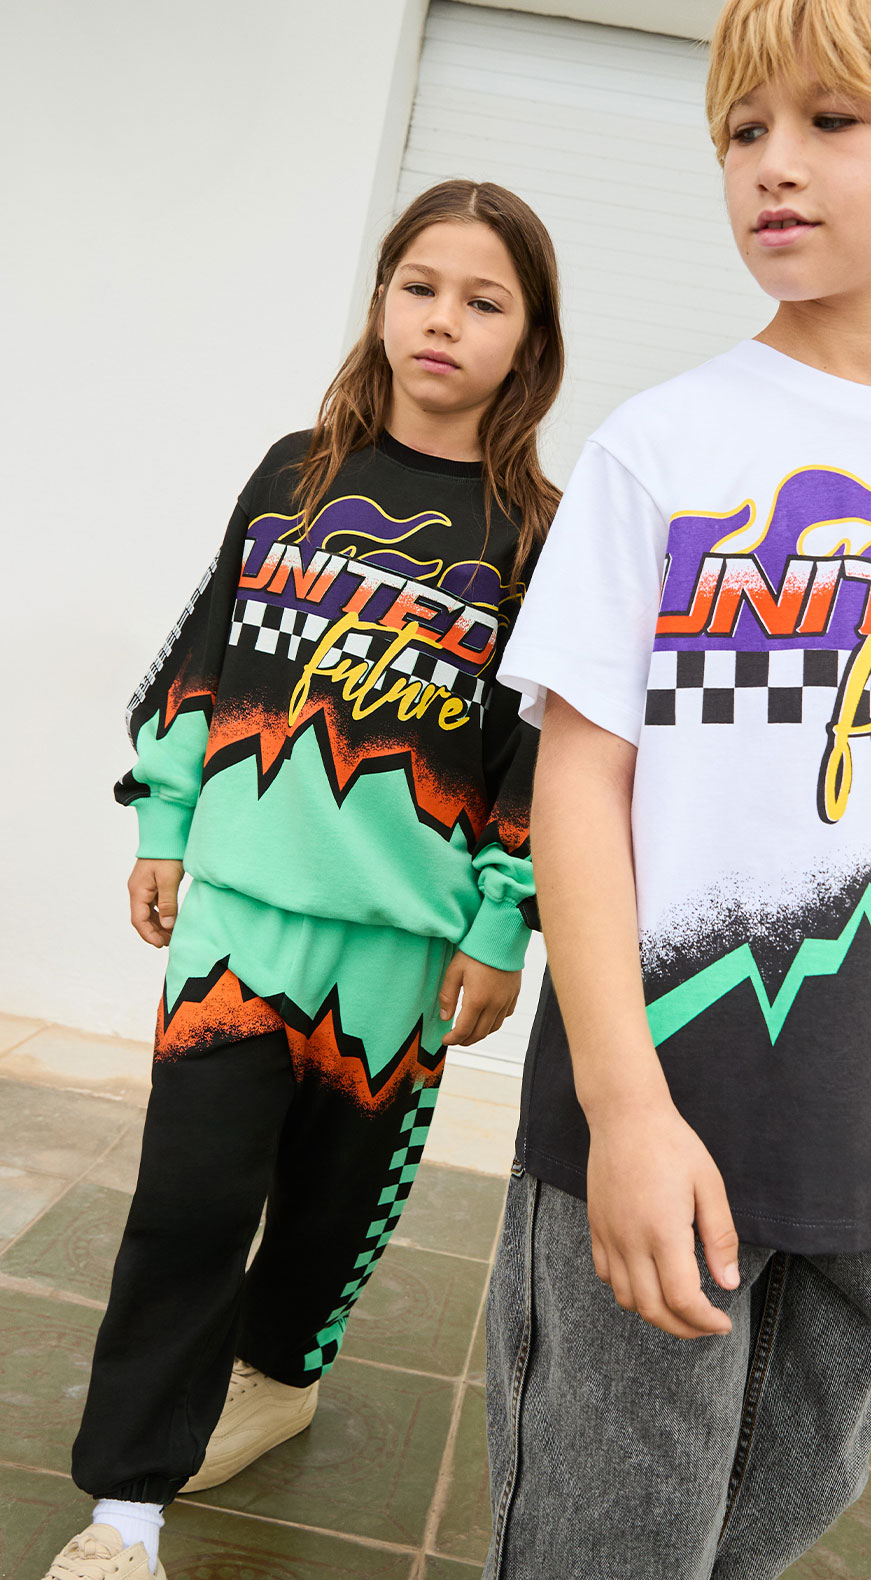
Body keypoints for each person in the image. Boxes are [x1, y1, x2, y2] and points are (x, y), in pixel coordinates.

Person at [483, 0, 871, 1575]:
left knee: (774, 1514)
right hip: (660, 1115)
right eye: (746, 130)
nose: (772, 164)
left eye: (830, 122)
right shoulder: (663, 451)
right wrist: (623, 1108)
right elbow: (578, 785)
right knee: (612, 1536)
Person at [42, 179, 564, 1580]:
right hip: (237, 913)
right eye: (420, 287)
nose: (443, 320)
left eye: (485, 301)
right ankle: (127, 1509)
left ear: (530, 339)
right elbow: (207, 649)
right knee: (188, 1205)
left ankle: (279, 1376)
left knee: (334, 1208)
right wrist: (163, 818)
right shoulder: (296, 473)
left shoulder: (538, 535)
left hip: (401, 948)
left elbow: (538, 754)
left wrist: (502, 923)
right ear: (383, 298)